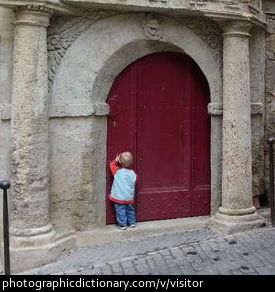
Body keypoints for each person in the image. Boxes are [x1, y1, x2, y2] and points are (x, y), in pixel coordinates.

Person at [109, 152, 137, 230]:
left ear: (120, 162)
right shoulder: (133, 174)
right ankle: (132, 223)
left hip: (119, 196)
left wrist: (115, 160)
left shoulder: (117, 171)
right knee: (130, 209)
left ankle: (122, 224)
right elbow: (135, 180)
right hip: (129, 197)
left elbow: (111, 165)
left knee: (120, 210)